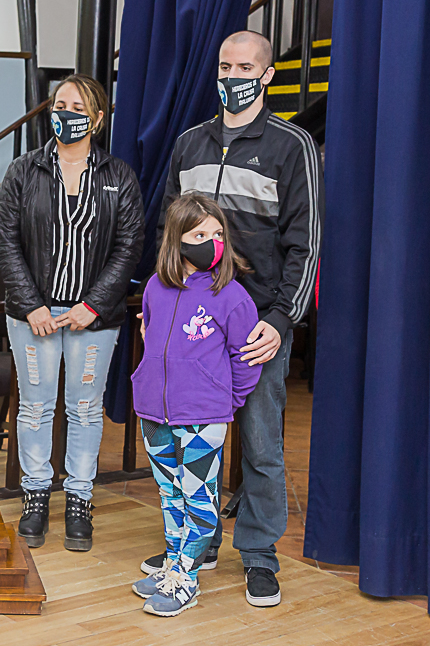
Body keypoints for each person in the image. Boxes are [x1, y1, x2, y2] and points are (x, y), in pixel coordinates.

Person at [144, 29, 321, 608]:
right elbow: (169, 233)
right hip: (193, 328)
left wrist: (282, 318)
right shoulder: (189, 144)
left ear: (267, 75)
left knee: (262, 445)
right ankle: (195, 545)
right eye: (225, 66)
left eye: (245, 67)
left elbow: (306, 244)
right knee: (192, 442)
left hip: (256, 326)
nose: (232, 76)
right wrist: (159, 309)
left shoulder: (292, 145)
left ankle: (260, 554)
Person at [0, 73, 144, 553]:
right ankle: (35, 495)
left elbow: (129, 246)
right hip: (32, 316)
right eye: (60, 105)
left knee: (84, 409)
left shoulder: (118, 176)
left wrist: (92, 305)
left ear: (97, 119)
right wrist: (31, 305)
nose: (67, 114)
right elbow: (5, 241)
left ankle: (79, 498)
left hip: (93, 319)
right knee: (35, 407)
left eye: (78, 108)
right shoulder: (23, 171)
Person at [130, 192, 262, 617]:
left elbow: (246, 359)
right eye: (200, 235)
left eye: (218, 234)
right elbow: (151, 338)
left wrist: (225, 400)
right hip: (154, 412)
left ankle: (186, 578)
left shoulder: (232, 296)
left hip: (203, 416)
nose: (212, 242)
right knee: (170, 493)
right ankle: (172, 566)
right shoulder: (155, 287)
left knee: (199, 497)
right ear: (177, 238)